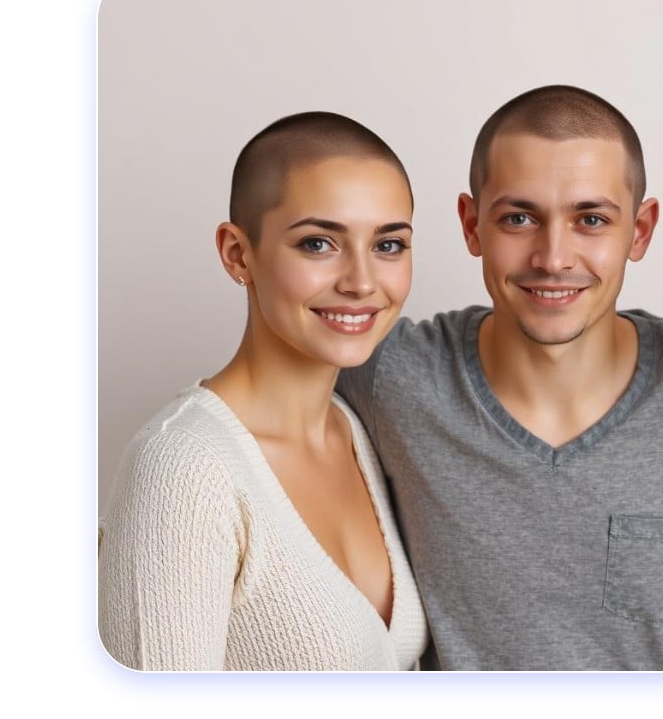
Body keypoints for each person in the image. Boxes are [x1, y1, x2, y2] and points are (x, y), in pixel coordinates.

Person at [335, 85, 663, 670]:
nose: (553, 257)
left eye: (591, 219)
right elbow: (262, 387)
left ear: (640, 231)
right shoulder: (386, 374)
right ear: (472, 225)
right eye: (518, 218)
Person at [99, 112, 428, 670]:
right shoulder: (182, 469)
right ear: (237, 254)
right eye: (319, 243)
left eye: (388, 245)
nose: (362, 282)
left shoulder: (354, 429)